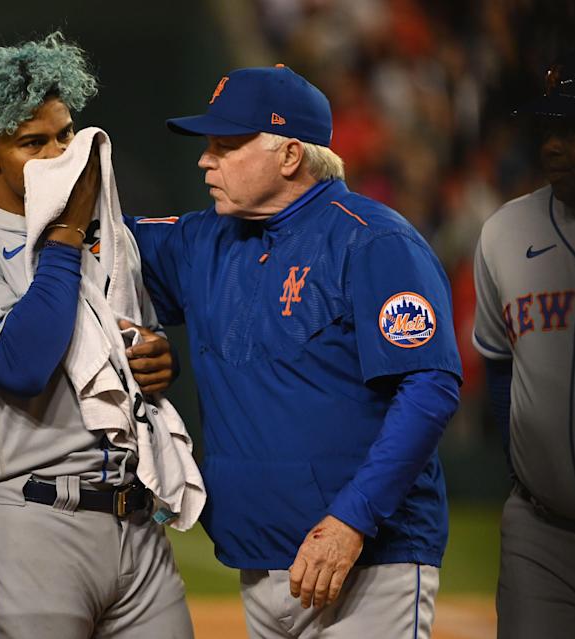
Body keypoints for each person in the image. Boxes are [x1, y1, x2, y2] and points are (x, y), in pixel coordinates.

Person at [125, 65, 462, 638]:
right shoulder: (204, 238)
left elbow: (430, 388)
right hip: (258, 559)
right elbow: (93, 238)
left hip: (365, 563)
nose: (206, 160)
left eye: (226, 145)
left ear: (289, 157)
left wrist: (351, 522)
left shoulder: (373, 240)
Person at [0, 33, 193, 638]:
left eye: (65, 134)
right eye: (32, 142)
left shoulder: (103, 231)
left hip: (135, 521)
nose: (59, 152)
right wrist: (65, 233)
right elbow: (23, 364)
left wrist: (153, 358)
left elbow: (123, 338)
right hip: (32, 525)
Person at [472, 51, 575, 638]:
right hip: (542, 538)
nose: (551, 146)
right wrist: (529, 475)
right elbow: (499, 367)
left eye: (572, 129)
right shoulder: (505, 232)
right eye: (546, 129)